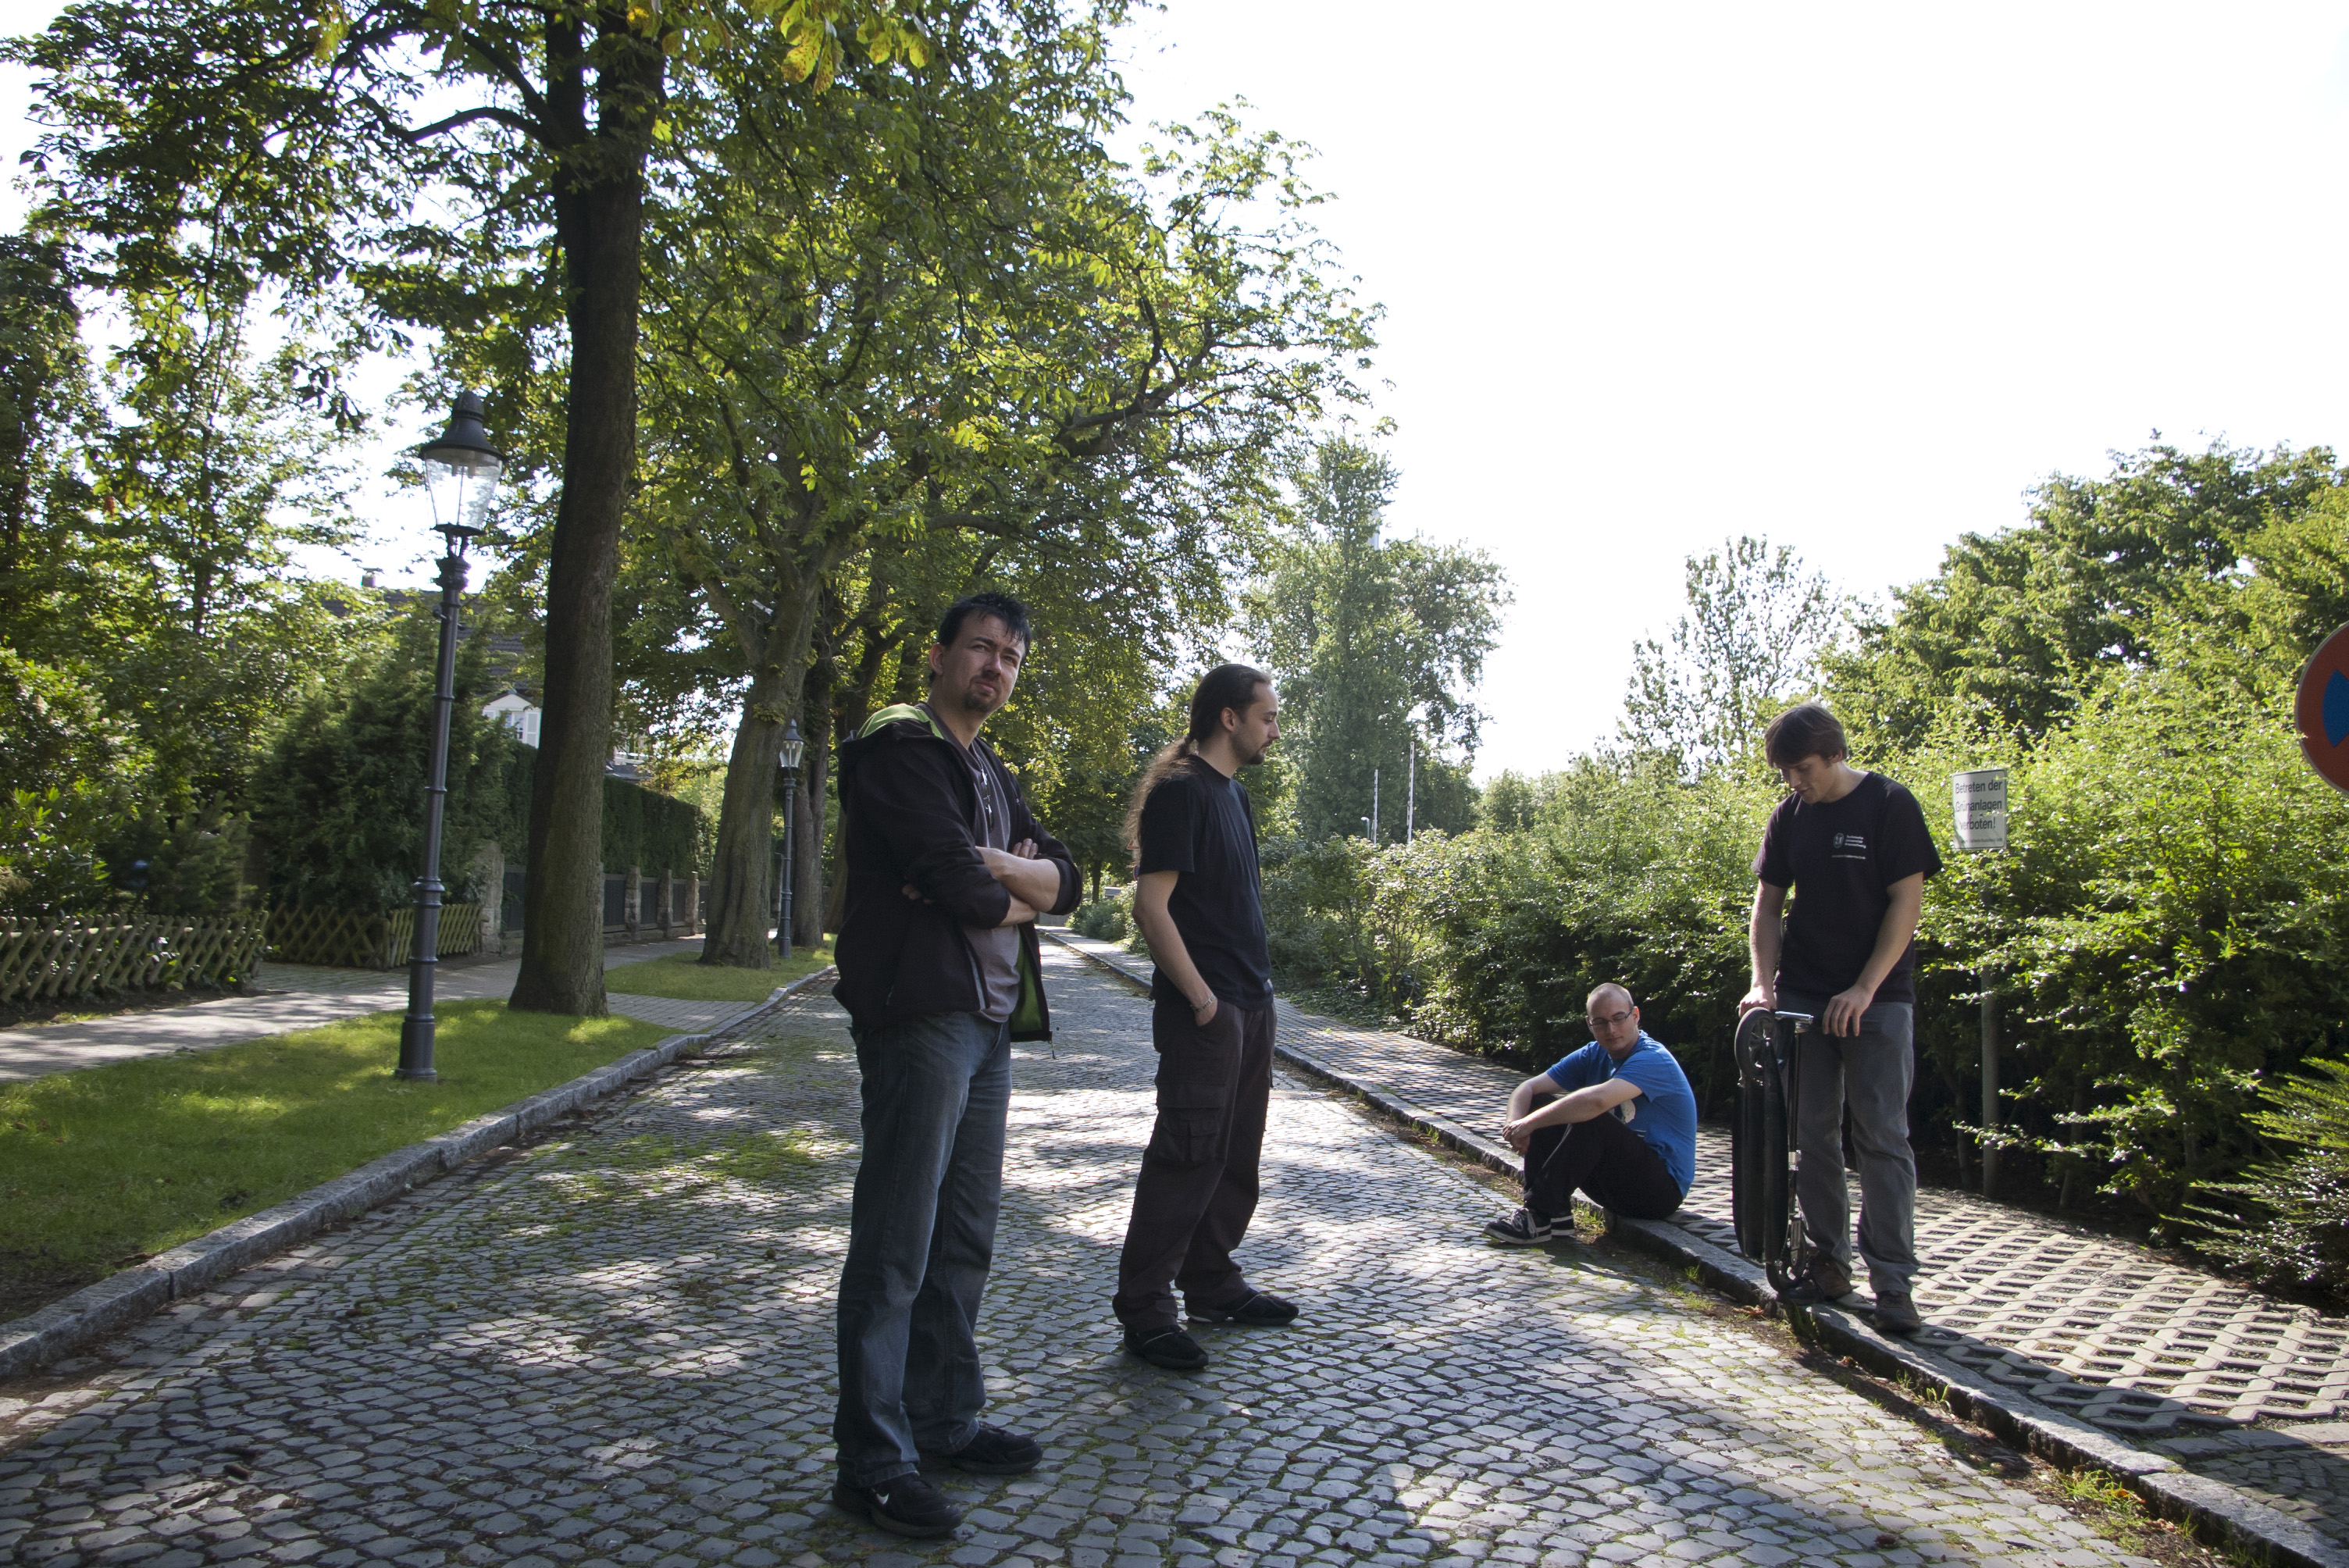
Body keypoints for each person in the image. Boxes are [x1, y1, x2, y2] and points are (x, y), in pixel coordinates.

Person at [828, 592, 1082, 1538]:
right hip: (921, 1017)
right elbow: (955, 882)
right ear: (937, 656)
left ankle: (941, 1419)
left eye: (1009, 657)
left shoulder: (991, 769)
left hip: (988, 1025)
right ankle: (872, 1463)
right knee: (896, 1243)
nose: (994, 668)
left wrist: (1012, 876)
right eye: (980, 648)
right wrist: (1010, 889)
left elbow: (1069, 877)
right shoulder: (900, 746)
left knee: (964, 1236)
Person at [1739, 701, 1943, 1338]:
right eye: (1785, 773)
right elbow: (1768, 907)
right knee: (1812, 1133)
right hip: (1804, 997)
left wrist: (1864, 988)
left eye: (1802, 768)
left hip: (1878, 1000)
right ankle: (1828, 1262)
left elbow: (1907, 904)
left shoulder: (1889, 805)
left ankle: (1894, 1284)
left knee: (1881, 1137)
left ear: (1835, 754)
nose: (1794, 781)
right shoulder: (1789, 817)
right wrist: (1762, 984)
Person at [1110, 664, 1292, 1372]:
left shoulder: (1234, 796)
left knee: (1235, 1154)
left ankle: (1212, 1281)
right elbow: (1150, 907)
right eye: (1267, 717)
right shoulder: (1181, 791)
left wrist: (1253, 1001)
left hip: (1253, 1003)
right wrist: (1203, 1001)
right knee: (1186, 1155)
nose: (1274, 730)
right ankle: (1146, 1311)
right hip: (1208, 1013)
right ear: (1229, 717)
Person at [1482, 983, 1697, 1243]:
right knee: (1540, 1102)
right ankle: (1555, 1217)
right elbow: (1527, 1088)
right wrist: (1515, 1124)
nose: (1611, 1030)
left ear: (1636, 1015)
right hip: (1610, 1183)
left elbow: (1596, 1101)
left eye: (1619, 1018)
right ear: (1590, 1024)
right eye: (1601, 1022)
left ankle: (1538, 1213)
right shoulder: (1593, 1054)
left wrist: (1529, 1124)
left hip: (1658, 1193)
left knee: (1591, 1117)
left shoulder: (1653, 1059)